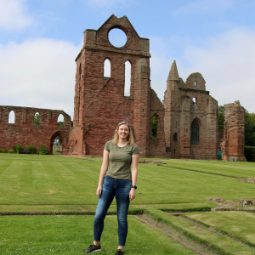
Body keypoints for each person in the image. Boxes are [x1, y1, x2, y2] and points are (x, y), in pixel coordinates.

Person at [84, 121, 139, 255]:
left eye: (126, 130)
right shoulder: (109, 145)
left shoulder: (133, 147)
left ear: (129, 132)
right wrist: (99, 184)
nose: (123, 132)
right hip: (108, 182)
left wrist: (133, 187)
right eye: (121, 129)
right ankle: (96, 244)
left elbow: (134, 168)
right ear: (117, 131)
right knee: (98, 216)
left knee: (121, 218)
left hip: (125, 184)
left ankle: (120, 249)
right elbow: (104, 165)